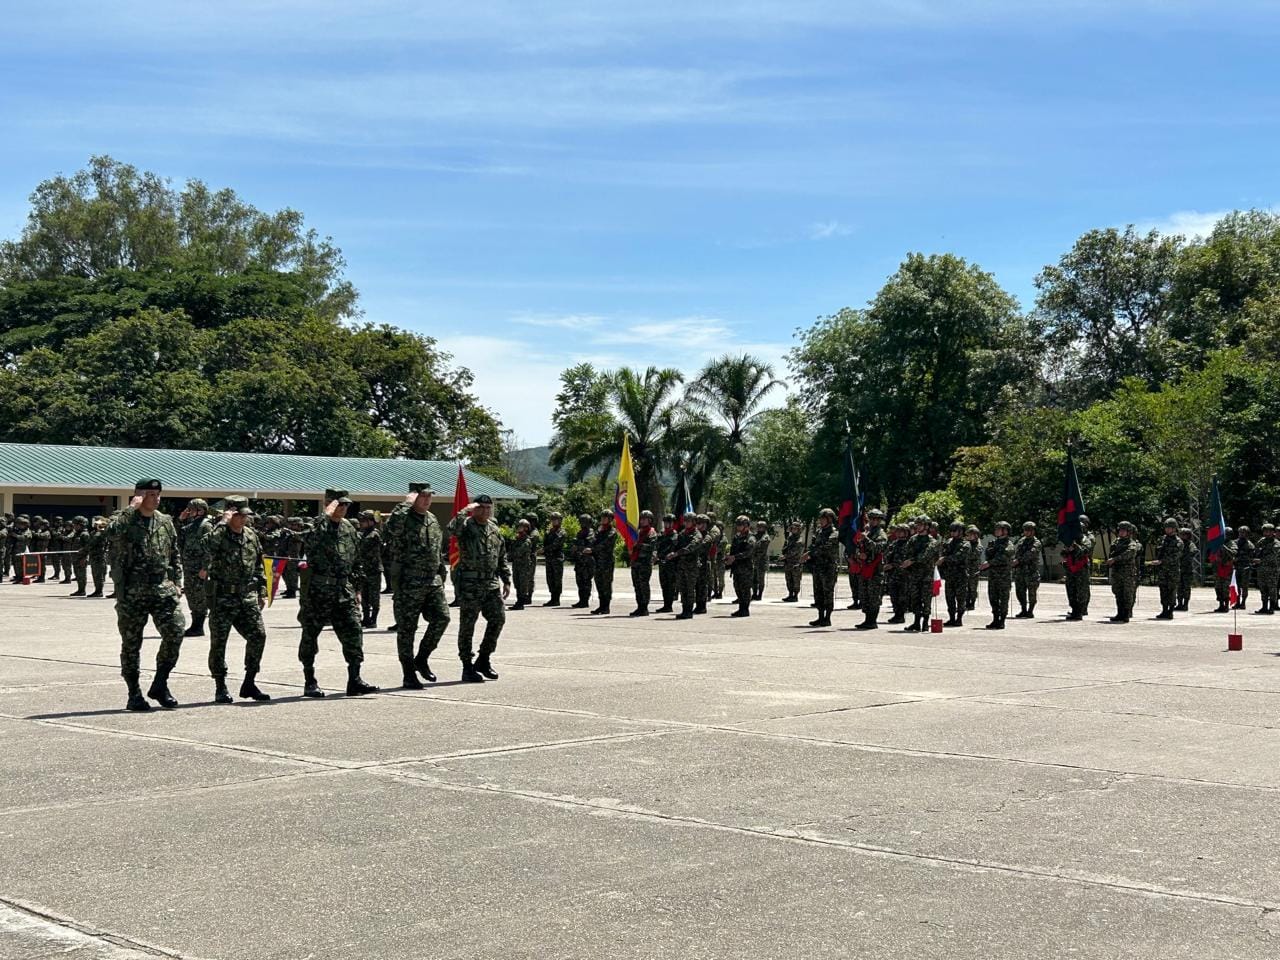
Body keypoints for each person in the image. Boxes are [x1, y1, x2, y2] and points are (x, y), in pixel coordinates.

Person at [108, 480, 186, 711]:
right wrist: (131, 508)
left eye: (158, 494)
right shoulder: (124, 519)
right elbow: (111, 533)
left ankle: (160, 683)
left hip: (162, 589)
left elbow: (175, 554)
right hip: (133, 592)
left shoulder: (165, 522)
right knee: (132, 644)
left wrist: (177, 582)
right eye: (151, 494)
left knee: (176, 631)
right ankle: (134, 694)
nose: (156, 498)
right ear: (139, 496)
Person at [297, 489, 378, 698]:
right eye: (338, 504)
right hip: (318, 590)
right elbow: (308, 539)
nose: (342, 508)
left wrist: (357, 588)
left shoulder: (349, 528)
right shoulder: (316, 526)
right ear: (328, 504)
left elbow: (356, 559)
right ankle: (310, 680)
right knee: (310, 636)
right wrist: (325, 514)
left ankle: (355, 680)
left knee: (354, 632)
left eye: (345, 505)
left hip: (344, 590)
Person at [199, 497, 272, 703]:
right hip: (223, 597)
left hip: (246, 597)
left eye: (245, 515)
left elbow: (259, 564)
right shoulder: (218, 534)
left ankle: (249, 682)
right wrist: (222, 523)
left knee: (258, 635)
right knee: (219, 643)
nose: (243, 519)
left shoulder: (251, 535)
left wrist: (262, 591)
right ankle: (220, 686)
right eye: (238, 515)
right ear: (229, 514)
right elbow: (206, 546)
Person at [388, 483, 450, 687]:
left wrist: (442, 572)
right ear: (413, 497)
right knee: (407, 629)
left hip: (432, 581)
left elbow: (436, 548)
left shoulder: (431, 519)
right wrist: (406, 504)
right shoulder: (403, 517)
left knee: (442, 618)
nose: (427, 499)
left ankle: (421, 658)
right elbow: (392, 527)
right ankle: (408, 673)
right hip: (410, 582)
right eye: (422, 496)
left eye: (429, 495)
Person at [448, 494, 511, 682]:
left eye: (487, 507)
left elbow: (501, 556)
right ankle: (467, 666)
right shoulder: (466, 525)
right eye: (480, 507)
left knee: (498, 619)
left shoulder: (494, 528)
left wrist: (506, 579)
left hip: (491, 584)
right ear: (474, 509)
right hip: (470, 584)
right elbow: (451, 529)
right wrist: (464, 511)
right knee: (468, 626)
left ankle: (484, 658)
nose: (485, 510)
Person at [177, 499, 212, 637]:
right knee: (191, 595)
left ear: (201, 510)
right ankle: (195, 625)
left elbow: (209, 548)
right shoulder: (191, 525)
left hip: (198, 567)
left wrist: (205, 567)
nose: (189, 511)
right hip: (189, 567)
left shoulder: (205, 525)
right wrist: (180, 520)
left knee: (199, 596)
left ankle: (198, 626)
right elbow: (178, 540)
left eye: (192, 509)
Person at [899, 515, 940, 633]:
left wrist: (911, 561)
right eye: (917, 524)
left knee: (926, 599)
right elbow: (906, 552)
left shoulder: (933, 541)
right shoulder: (913, 539)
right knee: (915, 599)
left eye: (920, 524)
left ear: (927, 526)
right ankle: (916, 622)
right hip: (914, 574)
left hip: (926, 575)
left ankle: (925, 623)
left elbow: (926, 556)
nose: (918, 526)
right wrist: (908, 561)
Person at [852, 508, 889, 630]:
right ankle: (867, 619)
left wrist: (866, 539)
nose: (872, 521)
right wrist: (859, 555)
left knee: (874, 596)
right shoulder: (867, 533)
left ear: (879, 521)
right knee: (865, 595)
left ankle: (872, 620)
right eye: (871, 519)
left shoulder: (881, 534)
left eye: (875, 519)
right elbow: (860, 547)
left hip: (876, 570)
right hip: (865, 567)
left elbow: (879, 548)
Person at [803, 508, 840, 627]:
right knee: (818, 593)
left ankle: (827, 618)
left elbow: (826, 547)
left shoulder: (834, 533)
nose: (821, 521)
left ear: (829, 519)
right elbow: (813, 545)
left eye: (823, 518)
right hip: (818, 567)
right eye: (820, 518)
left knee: (827, 593)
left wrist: (810, 553)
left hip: (828, 568)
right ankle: (820, 616)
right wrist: (809, 554)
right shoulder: (819, 532)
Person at [665, 512, 702, 620]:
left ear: (694, 522)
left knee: (690, 589)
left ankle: (688, 610)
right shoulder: (682, 534)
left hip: (691, 566)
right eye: (684, 521)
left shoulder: (697, 535)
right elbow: (675, 545)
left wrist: (676, 554)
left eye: (688, 521)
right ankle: (684, 609)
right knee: (683, 589)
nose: (686, 523)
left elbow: (691, 547)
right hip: (681, 566)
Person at [1106, 520, 1143, 623]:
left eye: (1124, 530)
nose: (1121, 532)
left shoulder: (1132, 543)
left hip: (1127, 573)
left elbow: (1130, 553)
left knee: (1127, 594)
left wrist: (1115, 559)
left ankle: (1126, 614)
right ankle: (1119, 613)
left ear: (1129, 532)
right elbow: (1111, 552)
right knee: (1118, 593)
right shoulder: (1116, 542)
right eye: (1120, 530)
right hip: (1117, 571)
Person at [981, 521, 1015, 630]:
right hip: (993, 575)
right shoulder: (993, 543)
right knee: (993, 598)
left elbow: (1004, 558)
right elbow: (988, 554)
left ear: (1005, 531)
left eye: (999, 529)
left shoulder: (1009, 545)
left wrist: (990, 563)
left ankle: (1002, 620)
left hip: (1004, 576)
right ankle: (995, 619)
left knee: (1003, 599)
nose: (996, 531)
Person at [1060, 515, 1094, 621]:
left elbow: (1085, 551)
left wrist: (1075, 547)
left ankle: (1080, 610)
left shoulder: (1087, 539)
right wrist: (1066, 551)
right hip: (1070, 568)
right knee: (1071, 589)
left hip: (1081, 568)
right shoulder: (1071, 539)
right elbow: (1064, 552)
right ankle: (1075, 609)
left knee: (1082, 590)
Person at [1149, 518, 1184, 620]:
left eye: (1169, 528)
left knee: (1171, 590)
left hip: (1172, 570)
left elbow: (1175, 556)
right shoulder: (1163, 539)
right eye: (1166, 528)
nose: (1167, 530)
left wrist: (1161, 561)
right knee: (1163, 590)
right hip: (1162, 570)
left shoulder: (1178, 542)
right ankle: (1164, 610)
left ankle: (1170, 611)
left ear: (1174, 529)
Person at [938, 521, 971, 627]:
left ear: (961, 531)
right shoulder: (949, 542)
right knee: (949, 598)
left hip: (960, 575)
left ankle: (959, 618)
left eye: (954, 530)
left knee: (960, 598)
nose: (952, 533)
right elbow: (943, 553)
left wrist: (945, 559)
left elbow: (959, 557)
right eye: (951, 530)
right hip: (949, 575)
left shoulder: (965, 544)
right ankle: (951, 618)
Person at [356, 510, 384, 628]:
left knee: (374, 596)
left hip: (374, 570)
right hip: (364, 569)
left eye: (364, 521)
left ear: (371, 522)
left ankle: (373, 619)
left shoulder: (374, 534)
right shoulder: (363, 534)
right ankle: (366, 618)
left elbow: (381, 549)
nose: (361, 523)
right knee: (365, 596)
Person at [588, 510, 618, 615]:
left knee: (606, 584)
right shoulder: (599, 531)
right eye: (602, 517)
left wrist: (593, 550)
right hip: (598, 561)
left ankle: (606, 606)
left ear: (610, 519)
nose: (603, 519)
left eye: (605, 517)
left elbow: (605, 544)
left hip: (607, 562)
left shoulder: (612, 531)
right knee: (599, 584)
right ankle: (601, 605)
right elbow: (593, 541)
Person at [629, 510, 658, 616]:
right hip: (636, 562)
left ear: (650, 520)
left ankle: (644, 607)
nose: (642, 521)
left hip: (644, 563)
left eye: (644, 519)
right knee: (636, 585)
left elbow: (651, 547)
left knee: (643, 585)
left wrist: (639, 545)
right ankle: (639, 606)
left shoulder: (652, 533)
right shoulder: (638, 532)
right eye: (641, 519)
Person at [725, 516, 755, 617]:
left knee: (745, 589)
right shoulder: (737, 537)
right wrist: (729, 558)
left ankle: (745, 609)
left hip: (746, 568)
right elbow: (733, 551)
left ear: (746, 525)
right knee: (737, 587)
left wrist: (735, 557)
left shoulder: (750, 538)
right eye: (737, 524)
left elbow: (748, 552)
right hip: (737, 567)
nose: (738, 527)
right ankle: (741, 608)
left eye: (740, 524)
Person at [1012, 521, 1042, 618]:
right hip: (1020, 571)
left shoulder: (1036, 542)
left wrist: (1018, 561)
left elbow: (1030, 554)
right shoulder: (1021, 541)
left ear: (1033, 531)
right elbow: (1017, 553)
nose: (1026, 532)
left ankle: (1030, 610)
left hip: (1031, 572)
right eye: (1025, 530)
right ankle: (1023, 609)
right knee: (1020, 591)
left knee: (1032, 593)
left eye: (1028, 530)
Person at [507, 519, 535, 610]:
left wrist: (512, 554)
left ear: (526, 528)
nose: (519, 528)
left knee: (523, 584)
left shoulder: (527, 541)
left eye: (521, 527)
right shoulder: (517, 539)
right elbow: (511, 552)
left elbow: (518, 552)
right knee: (517, 583)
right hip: (516, 565)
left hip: (524, 566)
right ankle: (518, 601)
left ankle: (521, 602)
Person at [655, 514, 679, 613]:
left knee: (670, 585)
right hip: (662, 563)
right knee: (664, 585)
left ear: (673, 523)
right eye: (665, 522)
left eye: (669, 522)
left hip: (671, 564)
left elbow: (675, 549)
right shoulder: (661, 535)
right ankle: (665, 605)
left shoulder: (676, 536)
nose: (667, 524)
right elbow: (656, 547)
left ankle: (669, 605)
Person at [1253, 522, 1279, 615]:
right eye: (1265, 531)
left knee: (1272, 589)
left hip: (1272, 569)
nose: (1266, 533)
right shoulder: (1261, 541)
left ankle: (1272, 607)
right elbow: (1256, 551)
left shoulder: (1276, 543)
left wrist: (1261, 560)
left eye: (1268, 531)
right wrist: (1255, 559)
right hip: (1261, 569)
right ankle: (1264, 607)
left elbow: (1273, 556)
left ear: (1273, 532)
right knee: (1263, 588)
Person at [570, 513, 594, 609]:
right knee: (579, 581)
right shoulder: (580, 533)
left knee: (586, 581)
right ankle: (581, 600)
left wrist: (578, 547)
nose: (582, 524)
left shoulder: (591, 533)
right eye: (581, 522)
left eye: (584, 522)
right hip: (579, 561)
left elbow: (589, 544)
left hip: (587, 562)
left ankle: (585, 601)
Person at [542, 512, 566, 606]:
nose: (554, 521)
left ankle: (556, 599)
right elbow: (545, 542)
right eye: (552, 519)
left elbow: (556, 544)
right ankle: (552, 597)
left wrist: (545, 549)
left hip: (557, 558)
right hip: (549, 558)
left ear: (560, 520)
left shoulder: (561, 532)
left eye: (556, 519)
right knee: (550, 578)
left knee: (557, 579)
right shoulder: (549, 532)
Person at [1213, 526, 1237, 613]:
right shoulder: (1218, 543)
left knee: (1226, 588)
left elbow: (1233, 553)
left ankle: (1226, 605)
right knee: (1218, 587)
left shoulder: (1232, 543)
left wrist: (1224, 547)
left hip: (1227, 569)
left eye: (1227, 535)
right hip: (1218, 568)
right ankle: (1221, 605)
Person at [1232, 526, 1255, 610]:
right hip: (1236, 567)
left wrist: (1240, 558)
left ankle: (1243, 602)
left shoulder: (1250, 545)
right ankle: (1237, 602)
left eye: (1243, 532)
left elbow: (1251, 557)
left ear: (1247, 534)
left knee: (1244, 586)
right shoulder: (1234, 543)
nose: (1241, 534)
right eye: (1240, 532)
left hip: (1245, 568)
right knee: (1236, 586)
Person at [781, 521, 805, 603]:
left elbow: (795, 551)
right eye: (792, 528)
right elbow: (784, 547)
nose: (793, 530)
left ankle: (795, 595)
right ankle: (790, 594)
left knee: (796, 580)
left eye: (795, 528)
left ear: (799, 530)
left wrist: (785, 556)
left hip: (796, 563)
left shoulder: (799, 540)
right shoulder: (789, 539)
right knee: (788, 579)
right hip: (788, 563)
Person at [68, 516, 91, 596]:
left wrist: (84, 558)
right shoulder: (76, 534)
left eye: (76, 525)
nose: (74, 526)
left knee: (81, 575)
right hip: (76, 558)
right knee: (77, 574)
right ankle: (80, 589)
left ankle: (82, 590)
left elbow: (88, 547)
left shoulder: (84, 534)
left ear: (81, 525)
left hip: (81, 558)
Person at [88, 516, 109, 597]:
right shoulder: (94, 532)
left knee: (99, 575)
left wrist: (100, 530)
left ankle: (99, 591)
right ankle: (97, 590)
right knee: (95, 574)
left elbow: (94, 541)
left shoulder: (102, 533)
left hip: (100, 557)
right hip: (94, 556)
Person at [1177, 527, 1197, 612]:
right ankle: (1179, 603)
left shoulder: (1190, 544)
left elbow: (1194, 551)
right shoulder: (1178, 544)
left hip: (1187, 570)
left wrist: (1184, 555)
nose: (1182, 536)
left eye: (1184, 534)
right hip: (1179, 569)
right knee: (1179, 587)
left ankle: (1185, 604)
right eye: (1181, 534)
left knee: (1186, 588)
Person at [964, 524, 982, 612]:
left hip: (974, 570)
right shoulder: (966, 544)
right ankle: (966, 603)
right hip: (966, 568)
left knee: (973, 588)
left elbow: (973, 555)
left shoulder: (978, 546)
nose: (969, 536)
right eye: (968, 534)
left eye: (971, 534)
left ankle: (972, 603)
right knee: (966, 588)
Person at [751, 520, 770, 601]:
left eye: (761, 527)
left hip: (761, 561)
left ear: (765, 528)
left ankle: (760, 594)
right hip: (754, 561)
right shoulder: (754, 536)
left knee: (760, 579)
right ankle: (754, 593)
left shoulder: (765, 537)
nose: (759, 528)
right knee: (753, 578)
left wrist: (754, 556)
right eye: (758, 527)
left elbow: (762, 549)